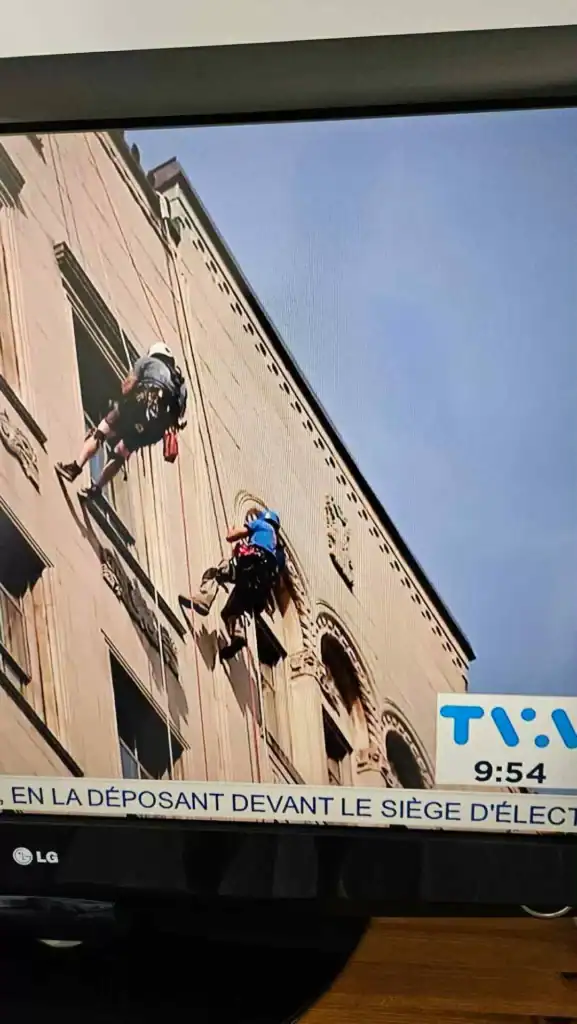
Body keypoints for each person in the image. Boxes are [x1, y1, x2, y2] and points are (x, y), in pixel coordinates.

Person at [56, 342, 188, 499]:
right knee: (121, 452)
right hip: (156, 428)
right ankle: (97, 489)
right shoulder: (180, 386)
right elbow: (178, 415)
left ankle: (75, 468)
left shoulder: (146, 362)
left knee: (101, 432)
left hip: (140, 404)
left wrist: (125, 388)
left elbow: (127, 388)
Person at [180, 509, 286, 662]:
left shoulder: (260, 524)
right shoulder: (279, 550)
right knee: (231, 610)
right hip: (260, 588)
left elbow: (231, 537)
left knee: (218, 573)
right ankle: (238, 634)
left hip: (250, 568)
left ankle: (204, 600)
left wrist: (232, 531)